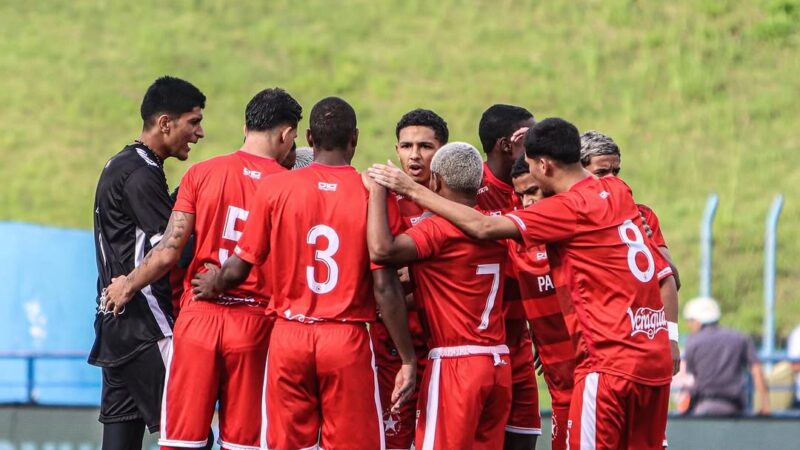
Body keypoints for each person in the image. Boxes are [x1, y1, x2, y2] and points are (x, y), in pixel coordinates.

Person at [369, 117, 678, 450]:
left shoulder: (566, 209)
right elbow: (667, 273)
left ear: (544, 164)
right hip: (652, 356)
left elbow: (482, 228)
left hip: (606, 362)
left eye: (531, 170)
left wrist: (410, 188)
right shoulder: (618, 190)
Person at [192, 97, 416, 450]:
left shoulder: (276, 188)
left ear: (309, 138)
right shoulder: (371, 193)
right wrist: (407, 357)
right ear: (354, 138)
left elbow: (237, 268)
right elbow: (385, 286)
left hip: (288, 338)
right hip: (346, 339)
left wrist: (214, 281)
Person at [103, 88, 302, 449]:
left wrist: (128, 285)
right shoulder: (290, 186)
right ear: (286, 135)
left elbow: (168, 249)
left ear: (245, 126)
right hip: (254, 326)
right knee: (243, 443)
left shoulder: (201, 173)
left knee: (181, 442)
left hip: (198, 321)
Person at [366, 142, 512, 450]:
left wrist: (378, 190)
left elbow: (383, 250)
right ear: (480, 183)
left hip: (456, 362)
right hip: (499, 362)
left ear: (436, 182)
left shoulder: (439, 229)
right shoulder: (495, 226)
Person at [90, 76, 205, 450]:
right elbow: (167, 252)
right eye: (193, 122)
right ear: (165, 122)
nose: (199, 132)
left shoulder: (122, 163)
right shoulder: (143, 174)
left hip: (116, 325)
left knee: (120, 441)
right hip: (146, 326)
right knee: (191, 438)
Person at [371, 108, 449, 450]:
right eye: (406, 146)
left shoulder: (456, 202)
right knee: (396, 440)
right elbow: (378, 274)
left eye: (425, 146)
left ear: (443, 151)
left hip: (444, 347)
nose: (414, 155)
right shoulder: (381, 201)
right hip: (394, 347)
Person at [478, 104, 541, 449]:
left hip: (520, 344)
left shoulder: (539, 186)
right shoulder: (472, 190)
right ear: (506, 144)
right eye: (529, 135)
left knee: (523, 441)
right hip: (481, 347)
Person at [509, 155, 577, 450]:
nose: (527, 202)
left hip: (601, 379)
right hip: (559, 387)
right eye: (521, 195)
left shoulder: (583, 232)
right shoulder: (514, 241)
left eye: (533, 192)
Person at [579, 130, 681, 290]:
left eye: (615, 171)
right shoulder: (571, 216)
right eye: (601, 172)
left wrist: (646, 244)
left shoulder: (643, 215)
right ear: (579, 173)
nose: (612, 179)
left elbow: (674, 278)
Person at [683, 296, 770, 416]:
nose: (689, 325)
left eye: (689, 321)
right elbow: (757, 370)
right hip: (735, 407)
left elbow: (692, 378)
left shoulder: (692, 342)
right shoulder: (740, 337)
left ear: (697, 321)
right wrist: (765, 406)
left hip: (704, 407)